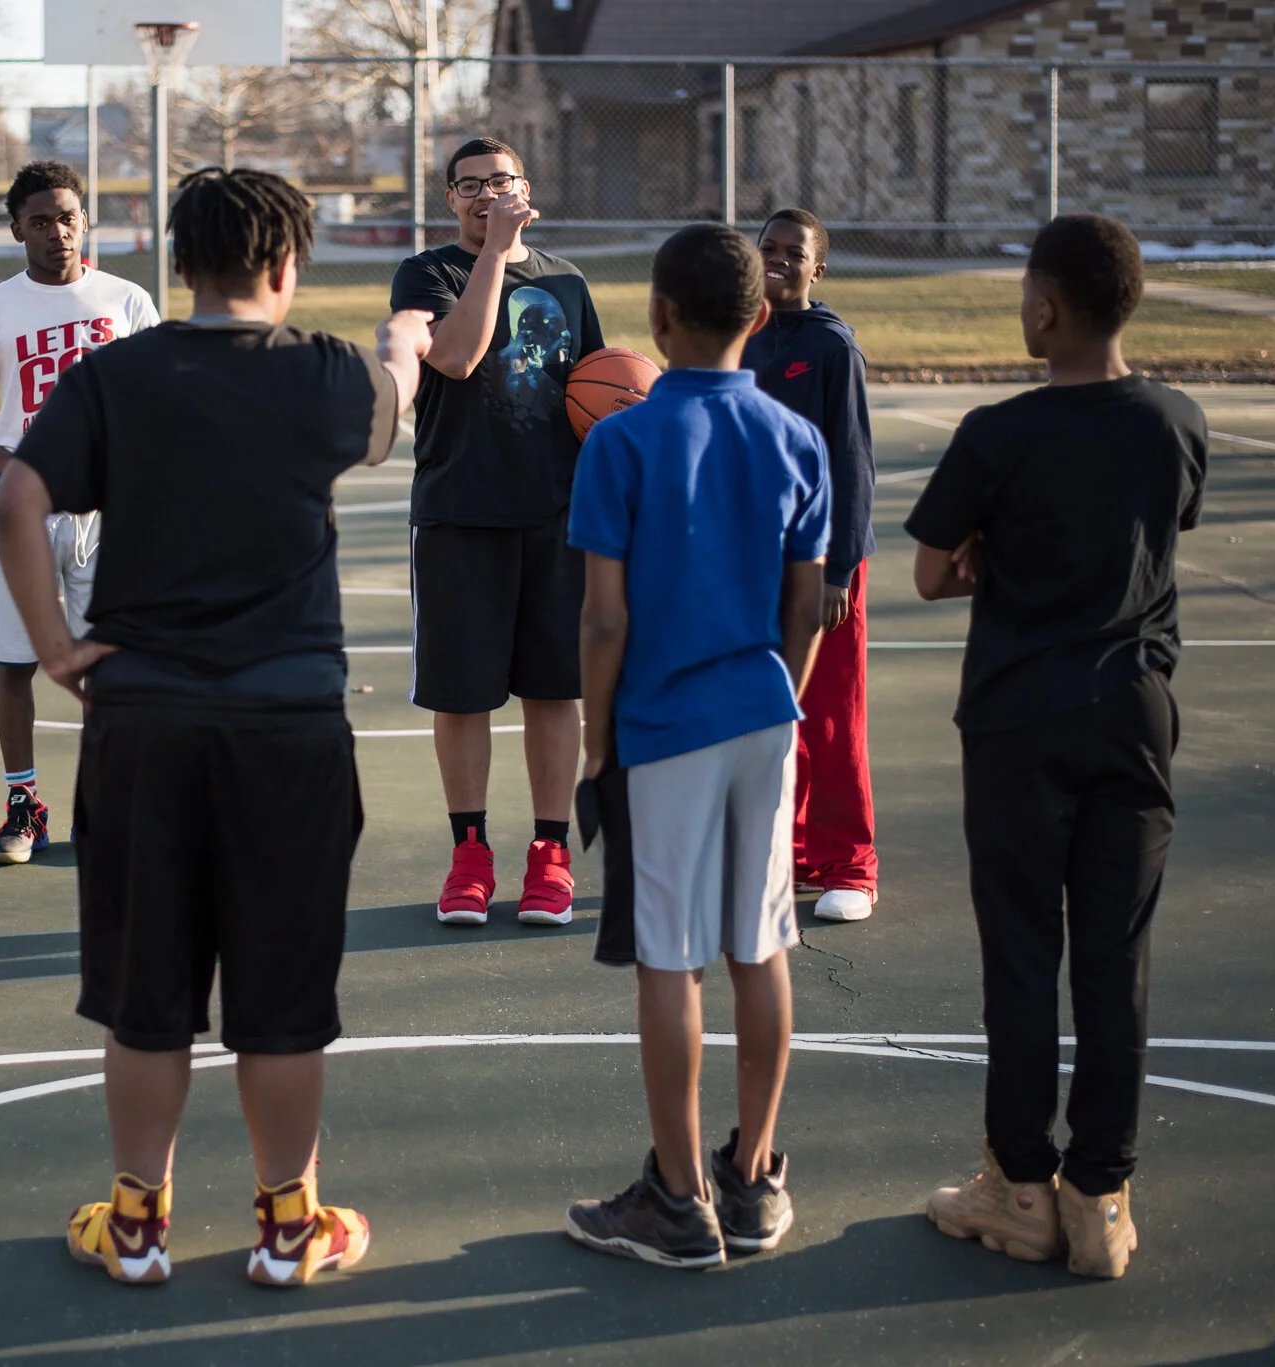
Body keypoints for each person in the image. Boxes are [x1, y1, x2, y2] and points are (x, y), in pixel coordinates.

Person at [0, 166, 428, 1288]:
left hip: (144, 720)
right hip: (287, 724)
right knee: (282, 998)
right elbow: (393, 408)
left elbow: (16, 497)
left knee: (147, 993)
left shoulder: (114, 375)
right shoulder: (326, 372)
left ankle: (137, 1223)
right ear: (287, 265)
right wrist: (405, 342)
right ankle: (288, 1226)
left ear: (180, 264)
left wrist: (57, 648)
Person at [907, 214, 1205, 1279]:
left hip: (1017, 717)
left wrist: (992, 555)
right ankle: (1100, 1201)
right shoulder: (1173, 419)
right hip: (1132, 712)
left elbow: (930, 572)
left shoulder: (997, 432)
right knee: (1116, 957)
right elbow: (1154, 535)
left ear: (1043, 308)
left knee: (1024, 955)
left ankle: (1019, 1187)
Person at [562, 223, 828, 1270]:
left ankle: (677, 1201)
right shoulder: (795, 437)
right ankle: (752, 1178)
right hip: (763, 714)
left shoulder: (617, 443)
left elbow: (603, 620)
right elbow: (806, 602)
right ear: (760, 317)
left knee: (669, 959)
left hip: (664, 727)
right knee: (759, 945)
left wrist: (596, 743)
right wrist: (781, 695)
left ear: (657, 314)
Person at [389, 136, 605, 929]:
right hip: (460, 513)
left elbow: (595, 389)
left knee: (554, 691)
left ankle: (551, 853)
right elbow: (455, 355)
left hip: (556, 515)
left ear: (525, 187)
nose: (486, 194)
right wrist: (495, 256)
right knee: (463, 694)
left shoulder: (567, 281)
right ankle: (470, 855)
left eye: (500, 181)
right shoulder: (427, 274)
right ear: (449, 199)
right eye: (470, 185)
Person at [0, 160, 159, 865]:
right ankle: (23, 808)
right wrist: (12, 468)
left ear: (84, 221)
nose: (57, 232)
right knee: (16, 661)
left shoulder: (127, 300)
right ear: (17, 230)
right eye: (40, 221)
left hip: (108, 512)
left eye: (67, 218)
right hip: (27, 515)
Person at [745, 208, 880, 923]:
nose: (777, 258)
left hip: (818, 562)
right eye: (767, 247)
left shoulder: (831, 347)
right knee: (767, 710)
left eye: (793, 252)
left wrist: (839, 570)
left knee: (830, 716)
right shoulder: (739, 338)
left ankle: (849, 863)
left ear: (817, 269)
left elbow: (852, 466)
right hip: (750, 559)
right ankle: (791, 850)